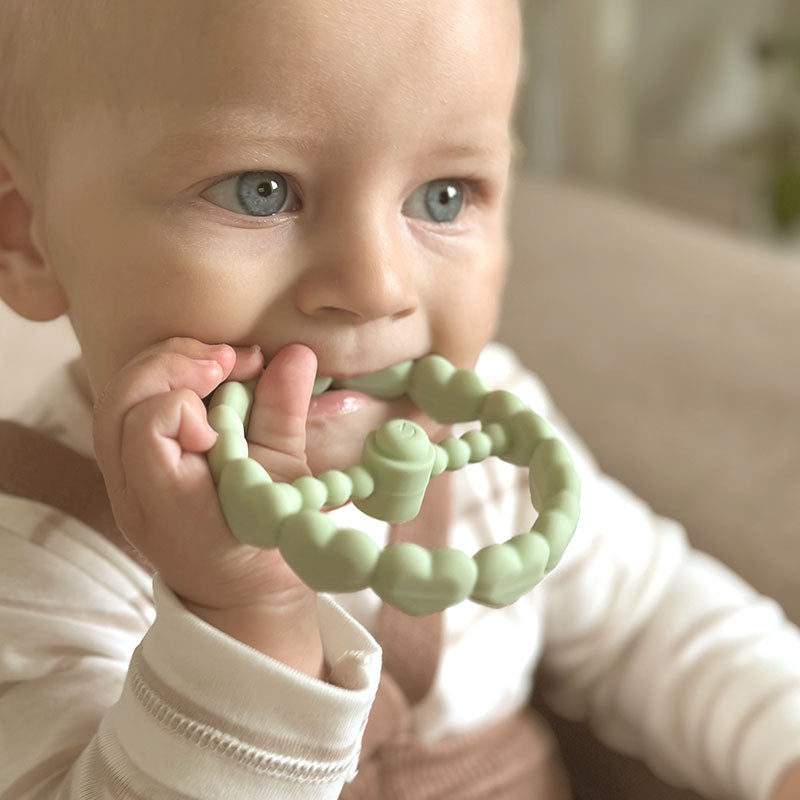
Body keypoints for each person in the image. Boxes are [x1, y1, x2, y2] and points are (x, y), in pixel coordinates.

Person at [0, 1, 798, 798]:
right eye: (260, 191)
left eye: (443, 197)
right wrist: (242, 617)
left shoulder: (485, 444)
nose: (376, 286)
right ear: (25, 235)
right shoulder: (33, 554)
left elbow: (649, 622)